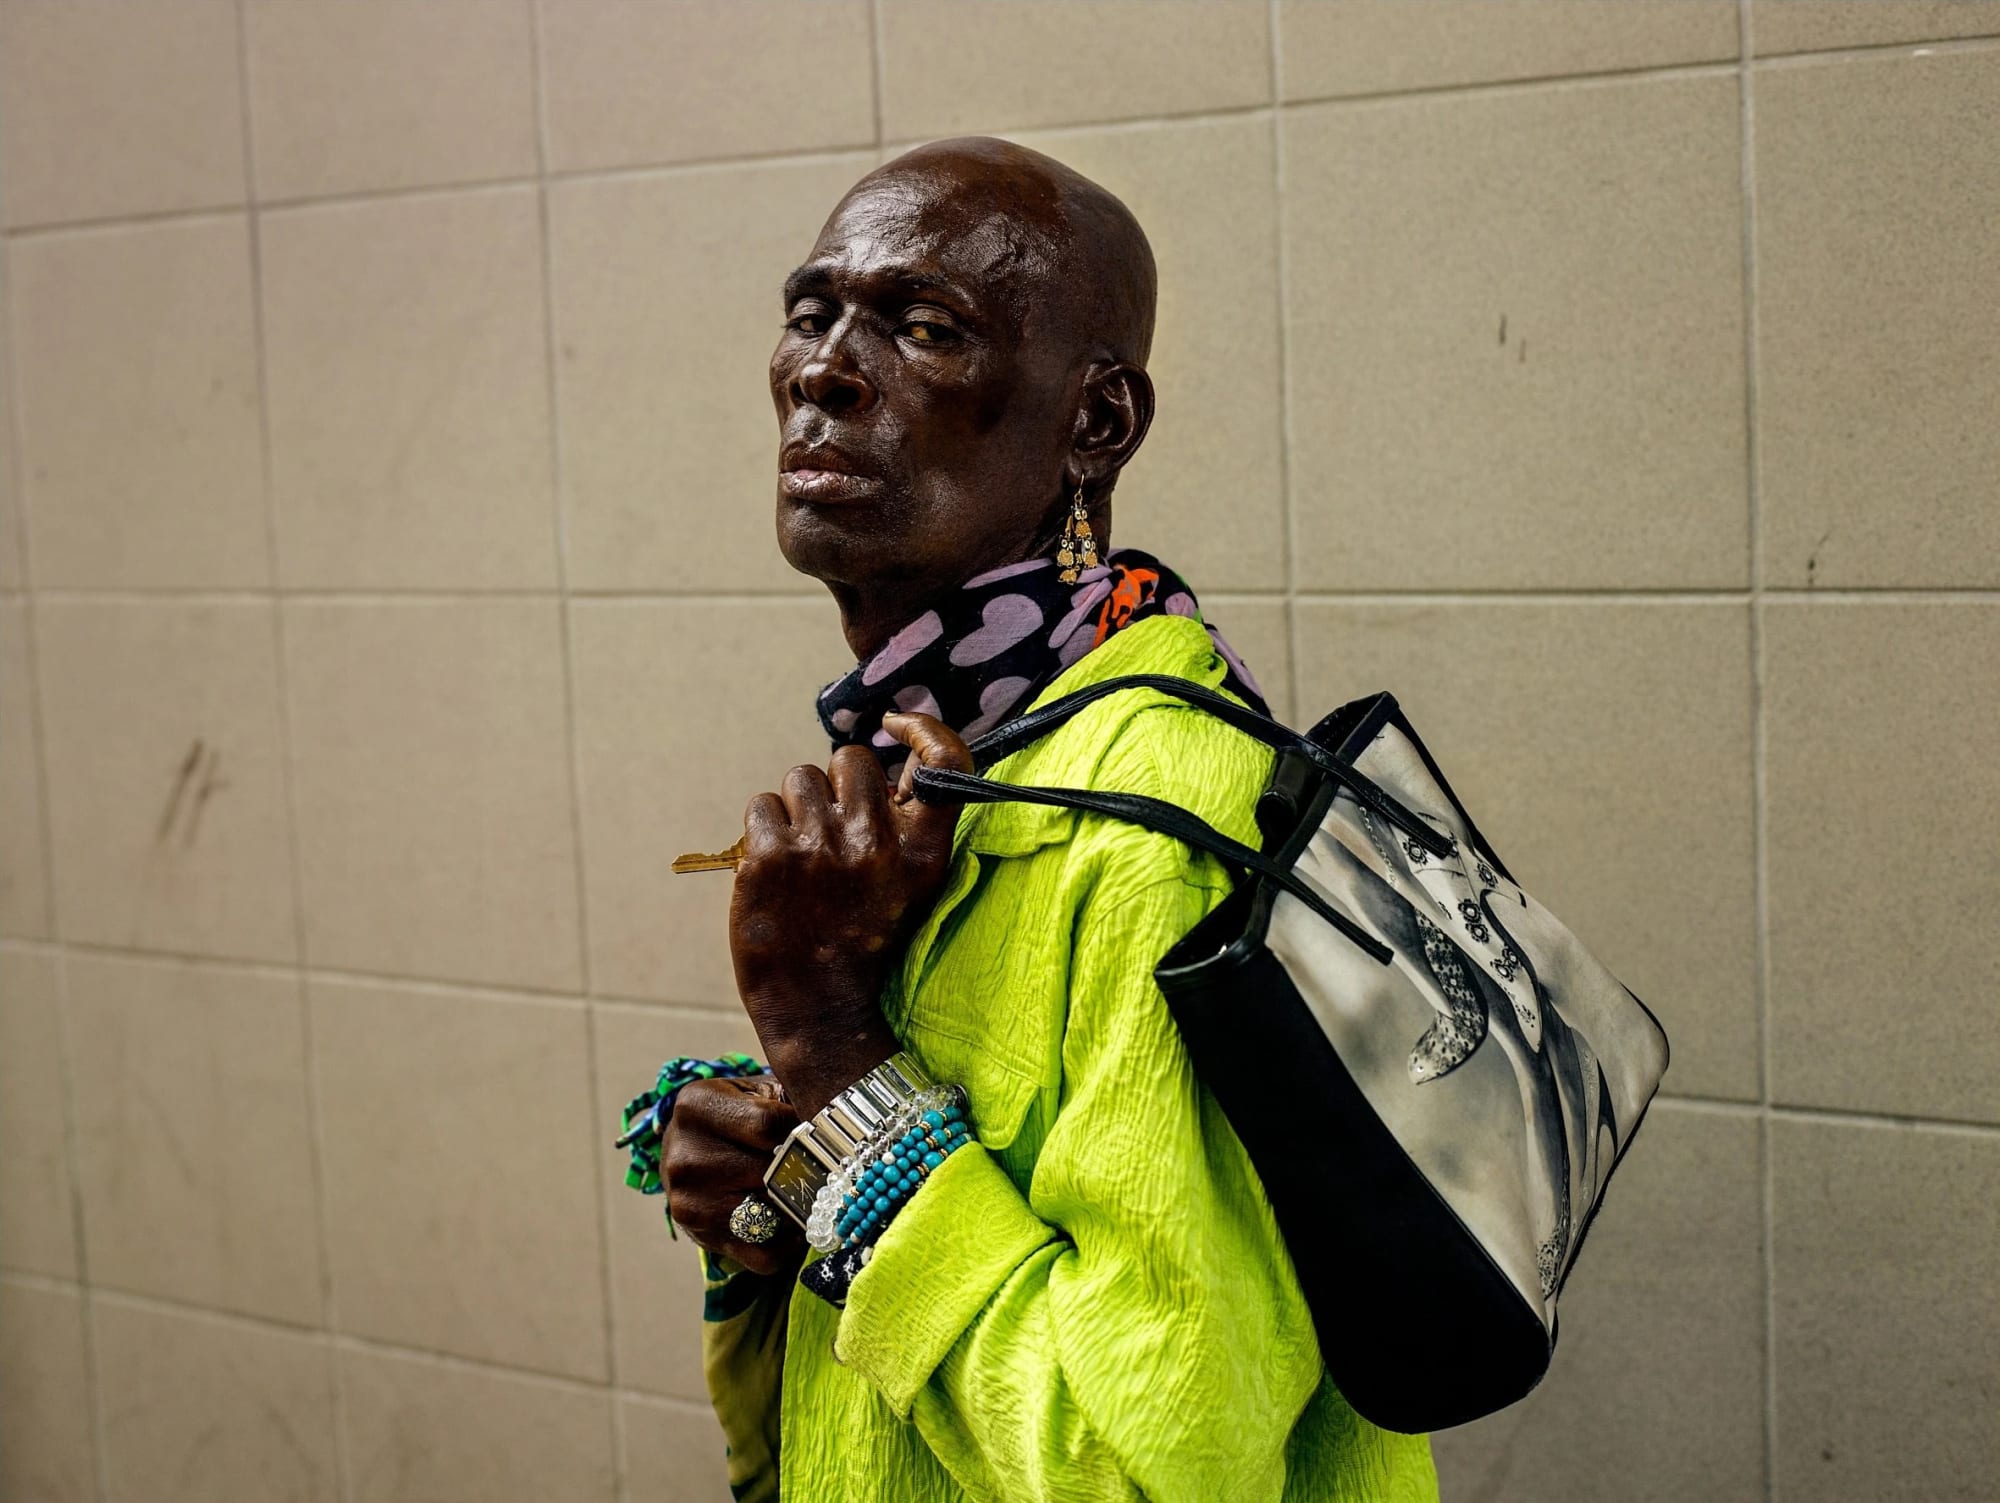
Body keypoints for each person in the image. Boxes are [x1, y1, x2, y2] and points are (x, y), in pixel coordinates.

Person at [658, 136, 1439, 1502]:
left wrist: (836, 1063)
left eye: (922, 327)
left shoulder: (1151, 825)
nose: (824, 371)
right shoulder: (969, 761)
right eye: (810, 310)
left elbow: (1146, 1470)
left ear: (1097, 425)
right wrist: (782, 1217)